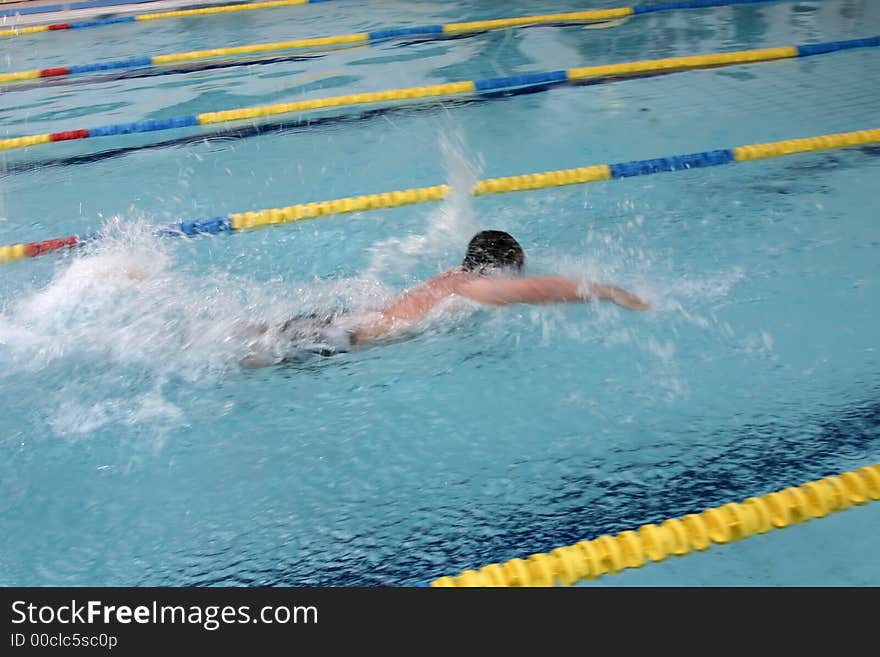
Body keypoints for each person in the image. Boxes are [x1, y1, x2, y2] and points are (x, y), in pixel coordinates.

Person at [244, 230, 650, 366]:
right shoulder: (475, 286)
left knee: (247, 339)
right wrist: (608, 291)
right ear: (507, 265)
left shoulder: (450, 276)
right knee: (244, 360)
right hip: (343, 339)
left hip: (342, 321)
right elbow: (543, 290)